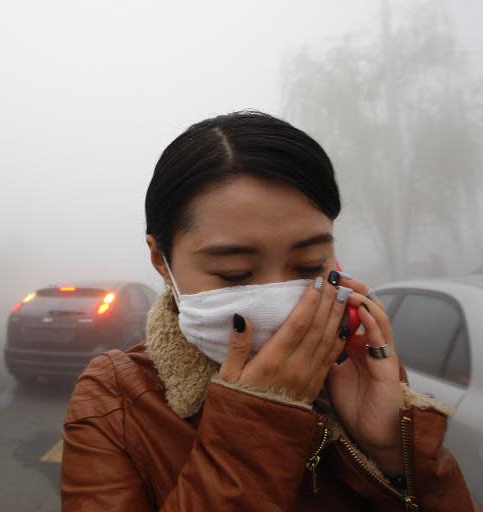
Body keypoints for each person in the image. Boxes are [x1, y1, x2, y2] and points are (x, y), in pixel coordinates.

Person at [60, 111, 476, 511]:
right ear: (160, 261)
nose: (279, 305)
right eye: (235, 274)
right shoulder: (116, 400)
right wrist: (258, 426)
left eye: (310, 265)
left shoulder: (357, 372)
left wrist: (391, 453)